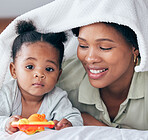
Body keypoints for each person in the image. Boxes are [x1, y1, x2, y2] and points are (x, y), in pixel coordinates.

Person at [57, 21, 148, 130]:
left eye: (105, 47)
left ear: (135, 49)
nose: (90, 58)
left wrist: (88, 121)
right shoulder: (59, 81)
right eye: (83, 45)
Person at [0, 20, 83, 134]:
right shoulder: (7, 94)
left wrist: (69, 124)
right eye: (30, 66)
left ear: (58, 75)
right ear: (14, 71)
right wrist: (6, 123)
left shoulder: (57, 97)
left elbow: (75, 117)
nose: (39, 74)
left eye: (49, 69)